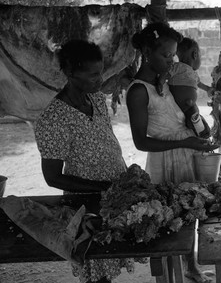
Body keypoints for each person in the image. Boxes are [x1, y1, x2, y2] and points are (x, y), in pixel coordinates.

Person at [34, 39, 143, 283]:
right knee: (96, 268)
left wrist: (120, 182)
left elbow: (104, 138)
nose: (100, 79)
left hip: (113, 195)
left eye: (101, 72)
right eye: (93, 74)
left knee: (111, 257)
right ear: (72, 73)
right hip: (86, 205)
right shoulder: (54, 119)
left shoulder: (95, 99)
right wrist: (102, 188)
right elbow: (52, 177)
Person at [126, 22, 218, 283]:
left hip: (185, 154)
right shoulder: (138, 91)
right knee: (168, 225)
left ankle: (190, 268)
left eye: (173, 56)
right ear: (146, 52)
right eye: (165, 55)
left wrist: (195, 121)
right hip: (165, 160)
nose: (171, 61)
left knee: (188, 215)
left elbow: (181, 117)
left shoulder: (164, 82)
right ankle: (167, 278)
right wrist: (184, 143)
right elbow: (141, 142)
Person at [168, 37, 213, 138]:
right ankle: (202, 135)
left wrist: (208, 89)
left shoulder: (191, 73)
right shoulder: (177, 67)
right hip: (182, 104)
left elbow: (199, 83)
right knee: (195, 116)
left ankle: (201, 132)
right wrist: (160, 82)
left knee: (195, 115)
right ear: (195, 54)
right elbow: (165, 73)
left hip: (188, 104)